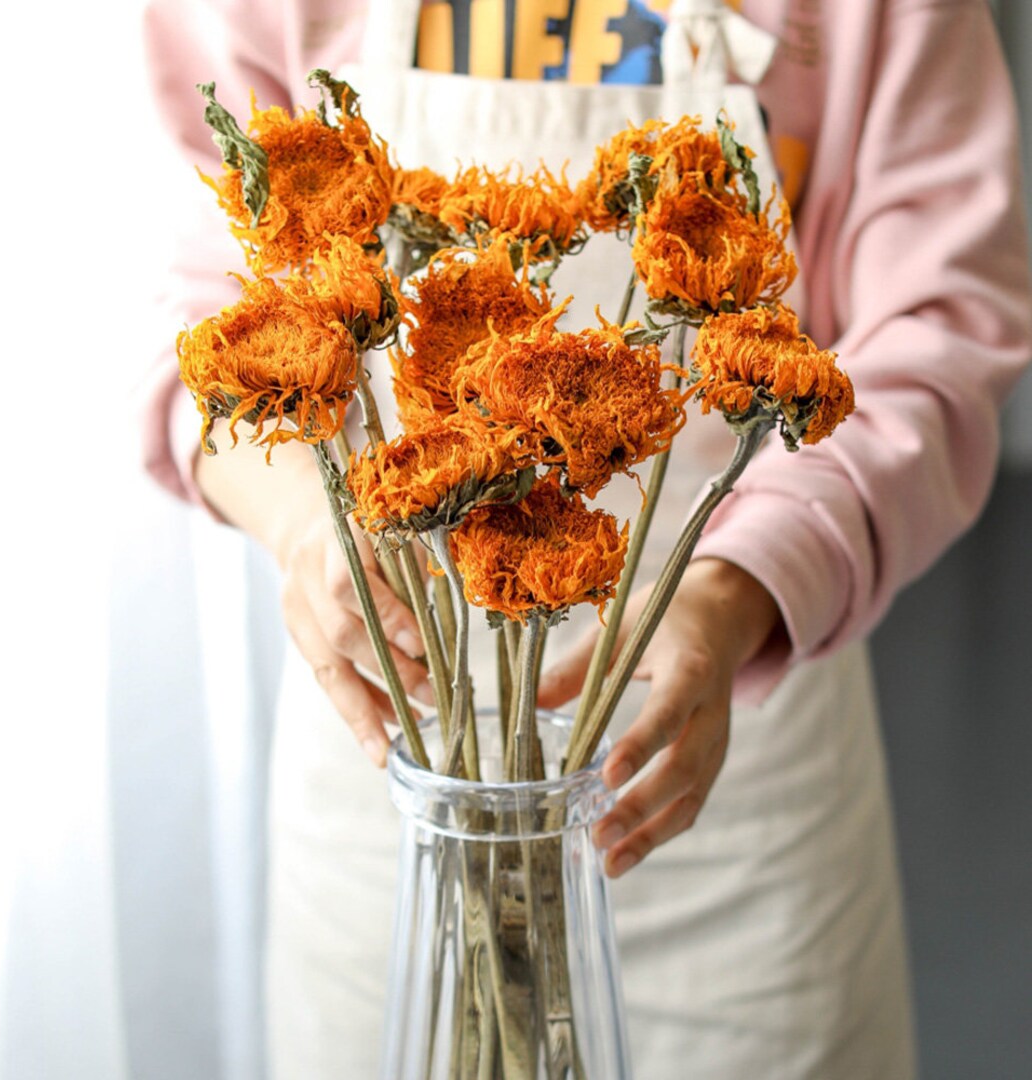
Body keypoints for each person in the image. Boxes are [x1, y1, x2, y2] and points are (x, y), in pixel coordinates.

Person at [142, 0, 1032, 1076]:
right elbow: (192, 303)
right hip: (394, 790)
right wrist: (301, 524)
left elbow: (943, 323)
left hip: (733, 803)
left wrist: (740, 586)